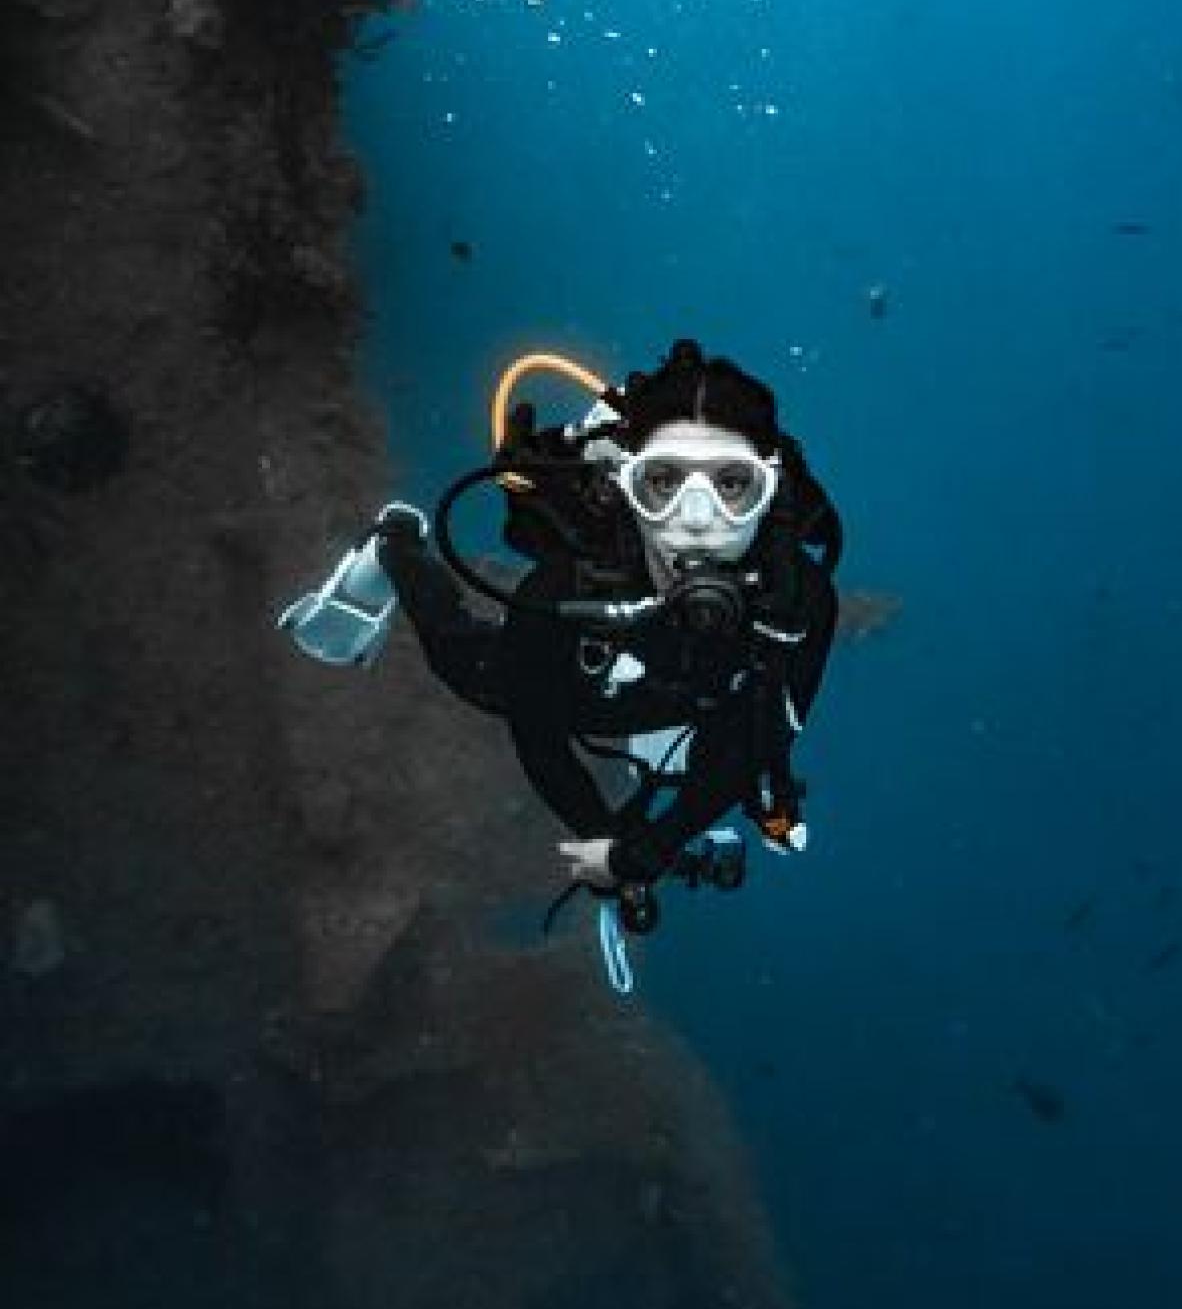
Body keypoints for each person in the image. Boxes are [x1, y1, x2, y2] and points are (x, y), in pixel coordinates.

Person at [279, 340, 841, 962]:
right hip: (585, 687)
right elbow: (539, 737)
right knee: (470, 669)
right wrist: (604, 840)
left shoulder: (799, 604)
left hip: (703, 696)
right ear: (626, 486)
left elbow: (757, 745)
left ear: (772, 490)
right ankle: (395, 547)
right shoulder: (562, 591)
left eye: (734, 485)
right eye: (663, 482)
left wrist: (644, 850)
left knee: (729, 735)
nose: (699, 520)